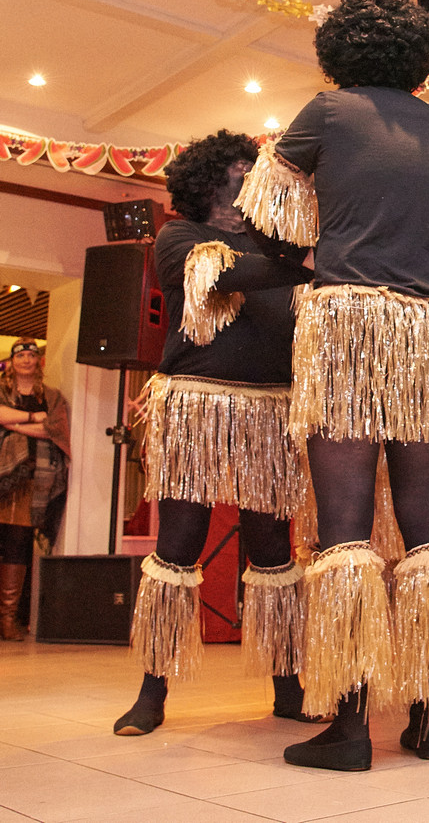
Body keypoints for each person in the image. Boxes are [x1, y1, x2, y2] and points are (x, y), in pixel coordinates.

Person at [237, 0, 429, 772]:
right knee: (426, 522)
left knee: (344, 523)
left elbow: (260, 207)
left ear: (342, 48)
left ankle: (348, 727)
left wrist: (306, 246)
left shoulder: (331, 112)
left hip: (349, 324)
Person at [113, 130, 316, 736]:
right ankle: (151, 692)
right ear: (209, 176)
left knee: (274, 550)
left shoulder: (278, 244)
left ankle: (288, 686)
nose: (251, 172)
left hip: (272, 408)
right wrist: (303, 263)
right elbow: (223, 275)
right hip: (198, 403)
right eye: (240, 165)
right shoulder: (180, 236)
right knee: (179, 543)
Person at [0, 338, 70, 640]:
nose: (26, 360)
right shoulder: (2, 390)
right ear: (11, 362)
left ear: (39, 362)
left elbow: (54, 430)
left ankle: (8, 619)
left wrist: (12, 425)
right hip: (3, 478)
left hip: (32, 482)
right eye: (21, 356)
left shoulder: (51, 396)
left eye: (31, 355)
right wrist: (29, 418)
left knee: (17, 545)